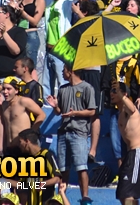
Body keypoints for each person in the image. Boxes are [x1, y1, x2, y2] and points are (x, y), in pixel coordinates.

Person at [46, 65, 96, 205]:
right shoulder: (63, 89)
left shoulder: (87, 88)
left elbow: (92, 111)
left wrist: (75, 113)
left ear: (71, 71)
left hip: (78, 132)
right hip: (63, 133)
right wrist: (55, 106)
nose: (62, 73)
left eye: (64, 70)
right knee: (63, 169)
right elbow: (60, 111)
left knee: (81, 167)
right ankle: (60, 198)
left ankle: (85, 198)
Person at [110, 82, 140, 205]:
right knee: (122, 193)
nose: (112, 94)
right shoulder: (120, 114)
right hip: (130, 155)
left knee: (128, 195)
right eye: (111, 91)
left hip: (137, 152)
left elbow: (132, 108)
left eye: (115, 91)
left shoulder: (130, 110)